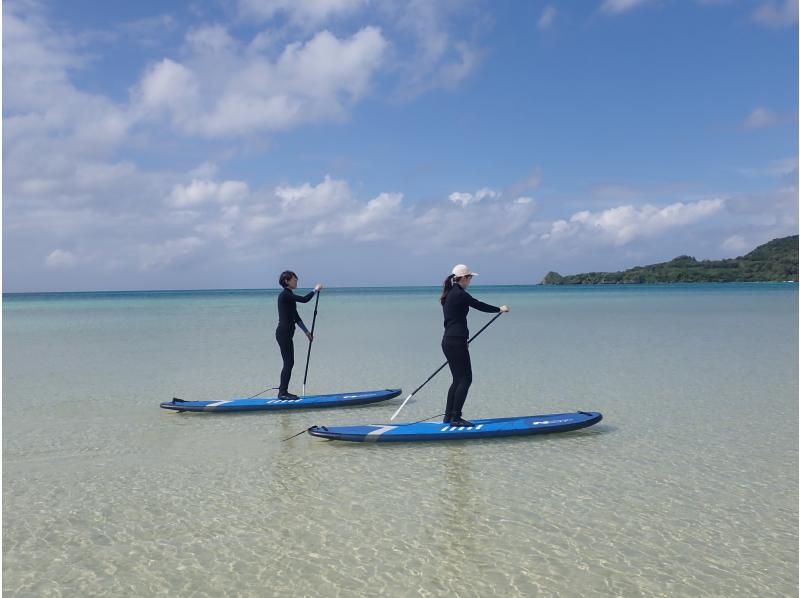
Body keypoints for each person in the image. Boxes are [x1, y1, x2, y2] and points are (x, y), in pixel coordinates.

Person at [440, 264, 509, 426]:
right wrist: (500, 309)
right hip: (456, 341)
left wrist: (462, 340)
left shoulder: (449, 294)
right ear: (463, 278)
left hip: (449, 341)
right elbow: (479, 305)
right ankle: (456, 418)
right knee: (465, 379)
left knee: (457, 380)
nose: (470, 281)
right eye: (470, 278)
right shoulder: (460, 294)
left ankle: (448, 417)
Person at [275, 271, 322, 400]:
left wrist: (307, 332)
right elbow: (305, 300)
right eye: (294, 280)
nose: (296, 282)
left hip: (287, 333)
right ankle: (282, 393)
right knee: (288, 362)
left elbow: (296, 317)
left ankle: (283, 391)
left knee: (289, 362)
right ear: (287, 281)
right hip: (283, 333)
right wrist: (315, 290)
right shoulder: (285, 295)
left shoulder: (289, 296)